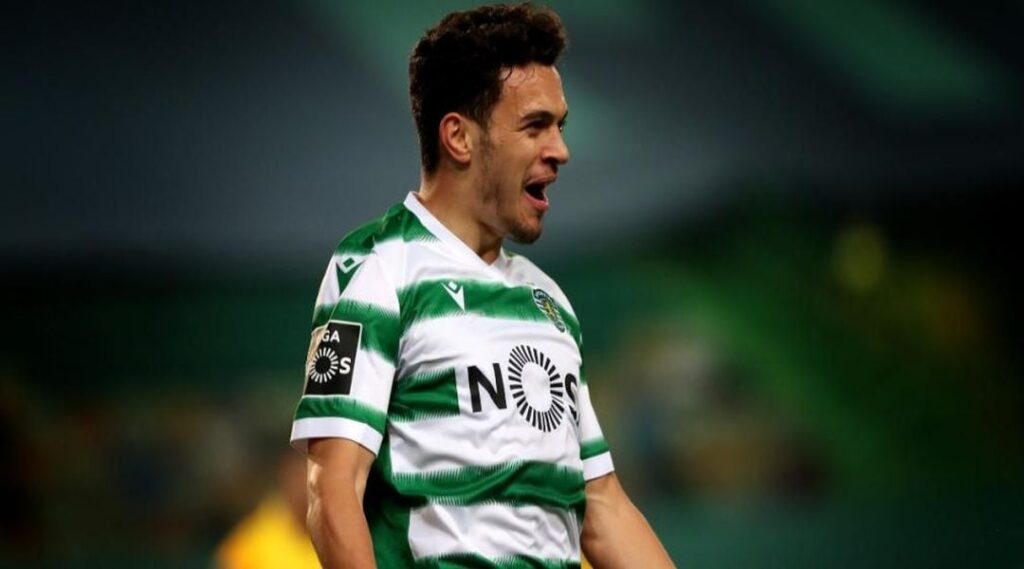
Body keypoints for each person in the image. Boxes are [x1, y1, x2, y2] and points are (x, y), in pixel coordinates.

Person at [290, 4, 675, 567]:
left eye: (560, 126)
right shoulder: (377, 266)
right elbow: (333, 488)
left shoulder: (548, 303)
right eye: (535, 126)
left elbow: (601, 503)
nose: (560, 150)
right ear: (459, 138)